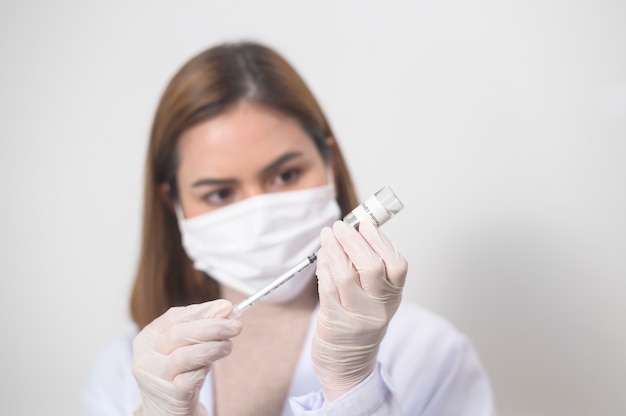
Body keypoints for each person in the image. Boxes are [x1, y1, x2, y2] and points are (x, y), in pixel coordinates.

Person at [82, 40, 497, 416]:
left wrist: (353, 387)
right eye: (220, 193)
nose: (259, 212)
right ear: (173, 204)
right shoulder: (127, 372)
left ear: (329, 164)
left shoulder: (433, 353)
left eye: (285, 175)